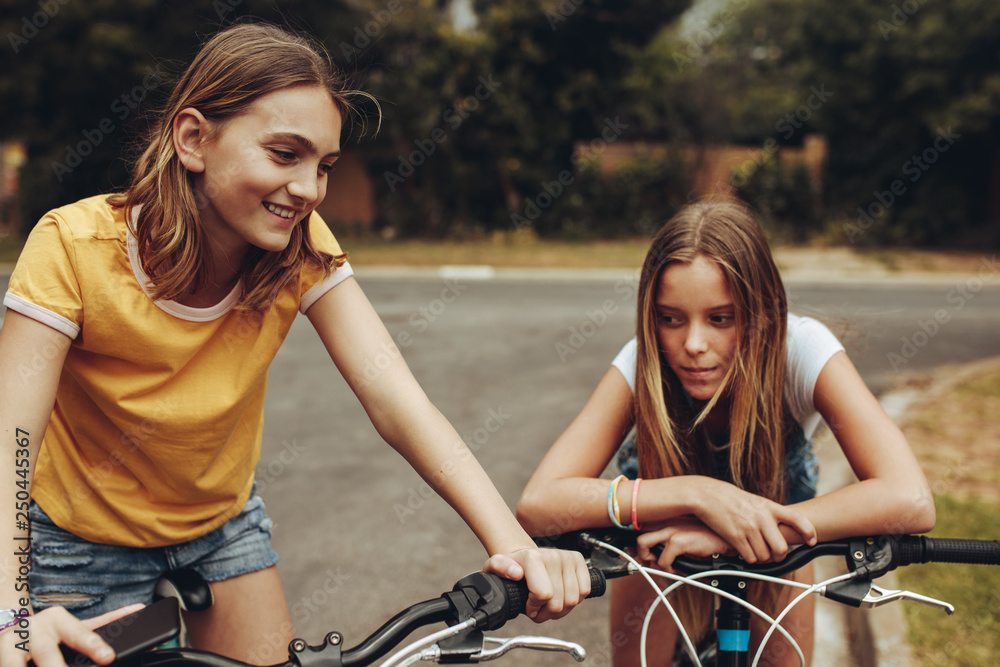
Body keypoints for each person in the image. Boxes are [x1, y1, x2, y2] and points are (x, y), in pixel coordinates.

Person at [0, 22, 590, 667]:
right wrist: (10, 611)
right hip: (79, 540)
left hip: (219, 526)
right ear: (194, 139)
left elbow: (398, 401)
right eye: (285, 155)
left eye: (325, 167)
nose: (309, 190)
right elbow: (13, 440)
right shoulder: (72, 246)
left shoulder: (301, 246)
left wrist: (514, 547)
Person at [516, 198, 935, 666]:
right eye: (670, 318)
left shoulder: (801, 349)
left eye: (721, 318)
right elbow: (539, 504)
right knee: (643, 554)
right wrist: (697, 495)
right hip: (659, 552)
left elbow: (910, 499)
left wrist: (736, 531)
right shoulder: (643, 361)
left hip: (779, 556)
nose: (693, 344)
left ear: (764, 313)